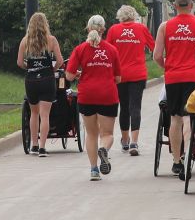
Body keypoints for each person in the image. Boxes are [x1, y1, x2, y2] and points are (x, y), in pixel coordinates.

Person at [153, 0, 195, 179]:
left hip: (173, 78)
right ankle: (190, 151)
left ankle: (177, 160)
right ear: (191, 5)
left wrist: (169, 67)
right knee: (189, 118)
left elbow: (157, 55)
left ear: (175, 6)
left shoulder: (165, 27)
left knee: (174, 117)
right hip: (194, 77)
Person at [66, 15, 121, 181]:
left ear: (88, 29)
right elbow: (118, 78)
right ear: (103, 30)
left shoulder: (80, 49)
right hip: (107, 94)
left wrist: (80, 74)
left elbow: (68, 76)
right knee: (107, 134)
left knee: (91, 134)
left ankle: (94, 170)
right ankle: (104, 149)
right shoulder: (112, 50)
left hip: (87, 95)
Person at [106, 5, 154, 155]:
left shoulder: (113, 30)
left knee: (124, 107)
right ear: (133, 15)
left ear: (120, 16)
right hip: (138, 74)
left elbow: (107, 51)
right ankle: (134, 142)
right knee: (135, 107)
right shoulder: (141, 29)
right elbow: (154, 47)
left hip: (120, 75)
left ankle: (125, 141)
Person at [17, 12, 64, 157]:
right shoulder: (51, 40)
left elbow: (19, 63)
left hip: (31, 80)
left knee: (34, 114)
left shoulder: (25, 41)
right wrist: (52, 69)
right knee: (45, 115)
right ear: (45, 25)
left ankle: (34, 145)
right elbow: (60, 61)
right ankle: (43, 148)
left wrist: (29, 67)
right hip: (46, 79)